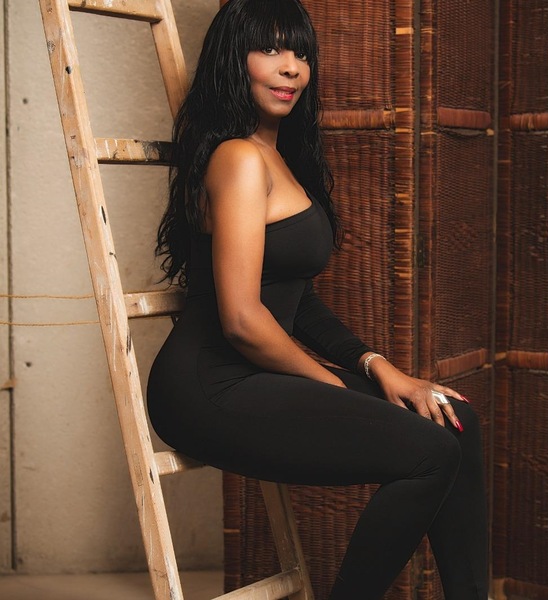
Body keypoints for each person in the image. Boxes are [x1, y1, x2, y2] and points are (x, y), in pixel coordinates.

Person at [147, 0, 488, 598]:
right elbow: (242, 318)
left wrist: (378, 368)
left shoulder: (280, 158)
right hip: (207, 387)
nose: (291, 68)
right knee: (431, 452)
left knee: (455, 421)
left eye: (301, 53)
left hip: (256, 374)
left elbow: (296, 301)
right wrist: (329, 385)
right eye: (270, 49)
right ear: (233, 59)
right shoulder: (237, 158)